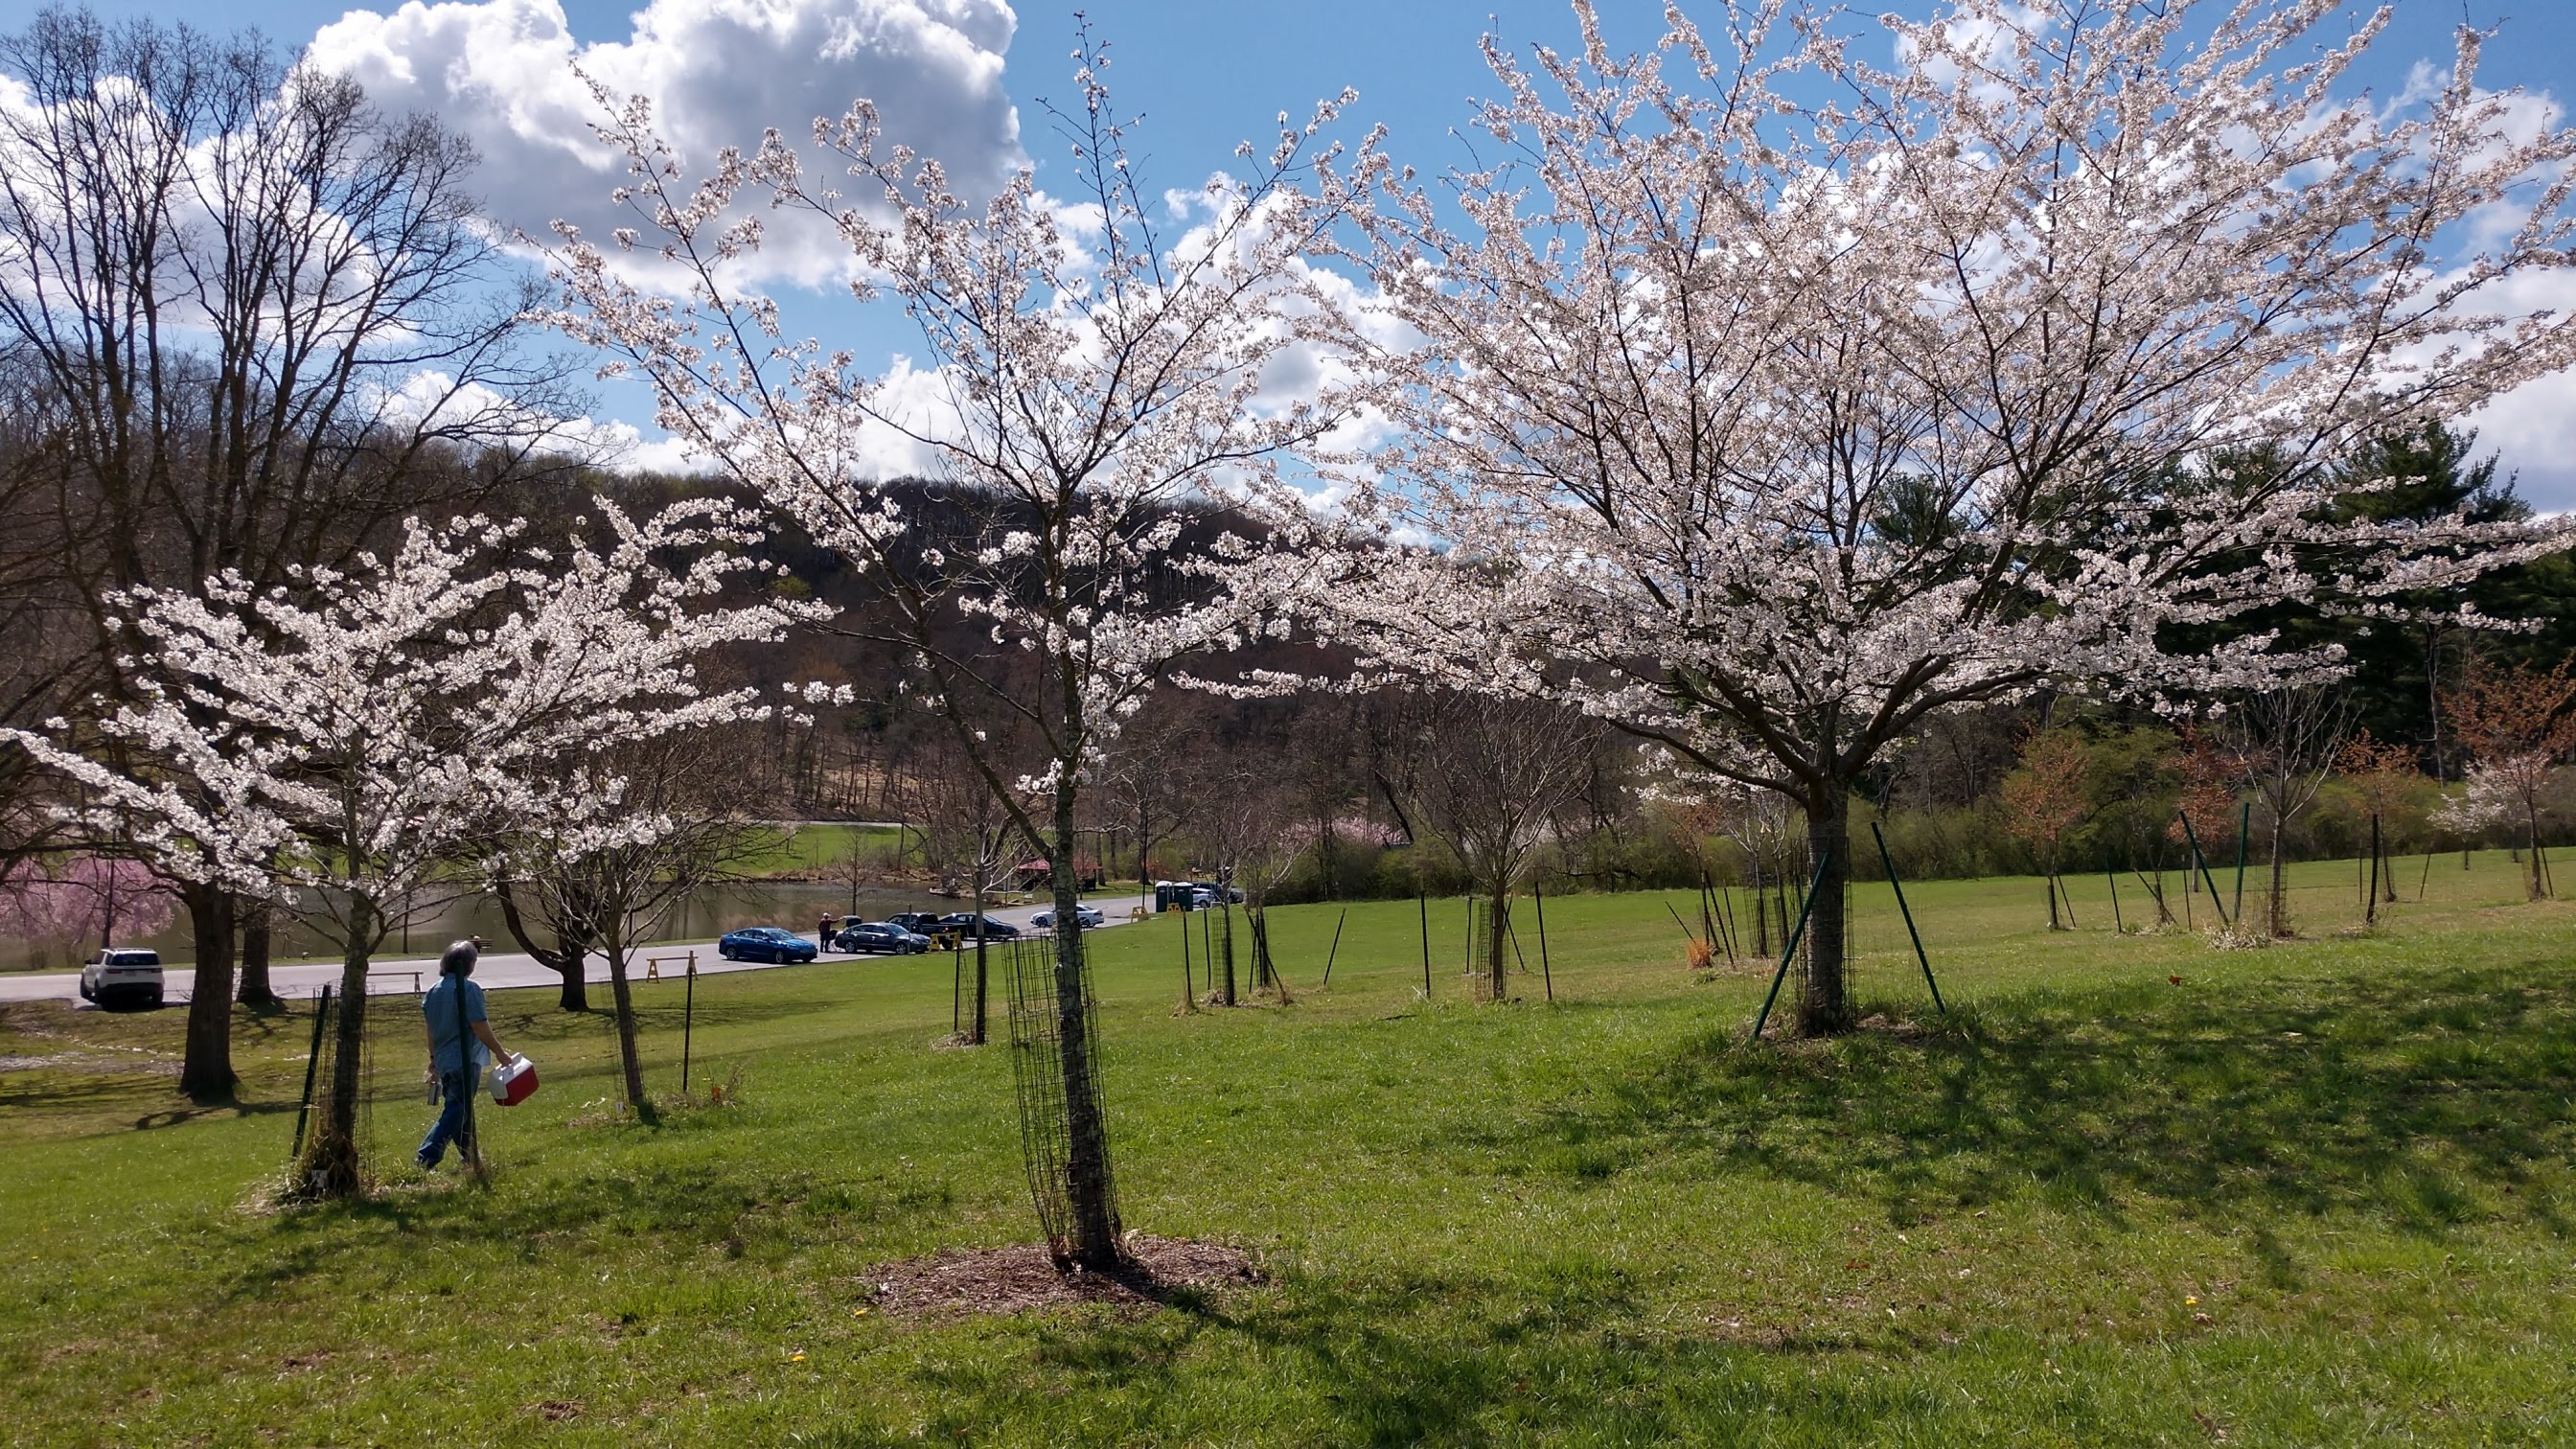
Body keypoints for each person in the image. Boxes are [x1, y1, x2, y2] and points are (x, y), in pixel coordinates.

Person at [417, 938, 510, 1171]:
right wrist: (500, 1052)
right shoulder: (468, 989)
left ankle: (470, 1159)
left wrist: (433, 1060)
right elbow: (479, 1025)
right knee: (457, 1110)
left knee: (460, 1110)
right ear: (468, 964)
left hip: (445, 1060)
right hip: (465, 1060)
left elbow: (431, 1030)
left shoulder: (433, 992)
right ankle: (426, 1156)